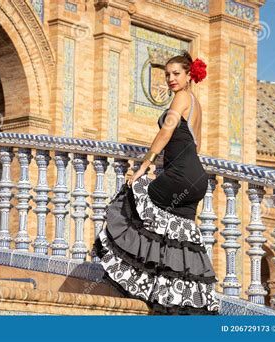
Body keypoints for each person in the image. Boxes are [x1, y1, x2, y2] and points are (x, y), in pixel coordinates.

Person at [93, 50, 219, 315]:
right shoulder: (196, 104)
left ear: (188, 76)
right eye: (167, 74)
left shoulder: (182, 97)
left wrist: (144, 166)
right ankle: (173, 301)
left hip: (180, 176)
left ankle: (133, 282)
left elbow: (167, 130)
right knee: (178, 239)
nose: (171, 79)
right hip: (197, 179)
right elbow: (195, 144)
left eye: (176, 74)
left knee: (129, 201)